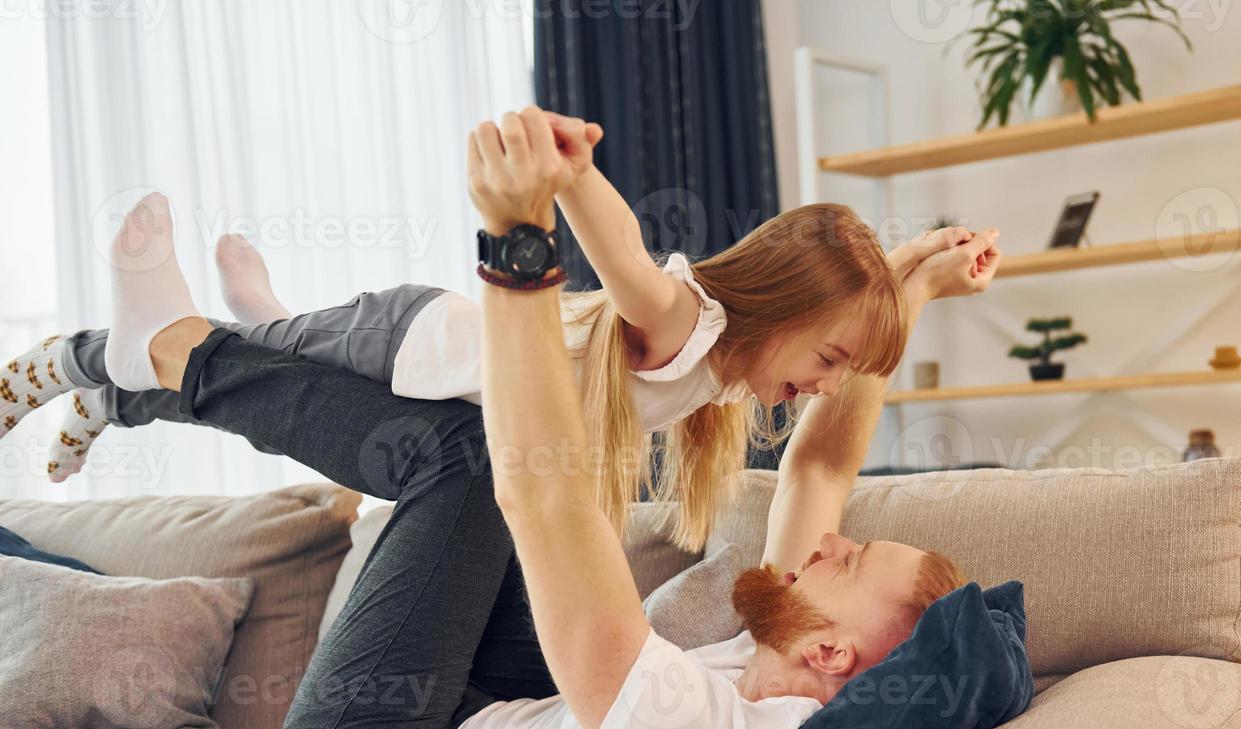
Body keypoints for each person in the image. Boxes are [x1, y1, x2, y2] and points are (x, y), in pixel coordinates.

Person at [17, 105, 1001, 729]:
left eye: (851, 559)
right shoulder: (779, 667)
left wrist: (517, 237)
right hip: (485, 699)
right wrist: (910, 296)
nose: (827, 545)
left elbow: (549, 501)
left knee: (463, 455)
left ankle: (157, 351)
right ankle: (157, 363)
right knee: (451, 441)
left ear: (834, 650)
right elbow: (820, 469)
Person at [1, 113, 975, 551]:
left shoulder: (724, 373)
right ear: (781, 310)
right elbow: (628, 259)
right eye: (828, 363)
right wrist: (573, 172)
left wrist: (908, 275)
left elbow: (832, 350)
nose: (821, 386)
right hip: (417, 346)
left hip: (429, 371)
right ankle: (79, 361)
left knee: (266, 367)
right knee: (261, 355)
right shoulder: (694, 323)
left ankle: (123, 391)